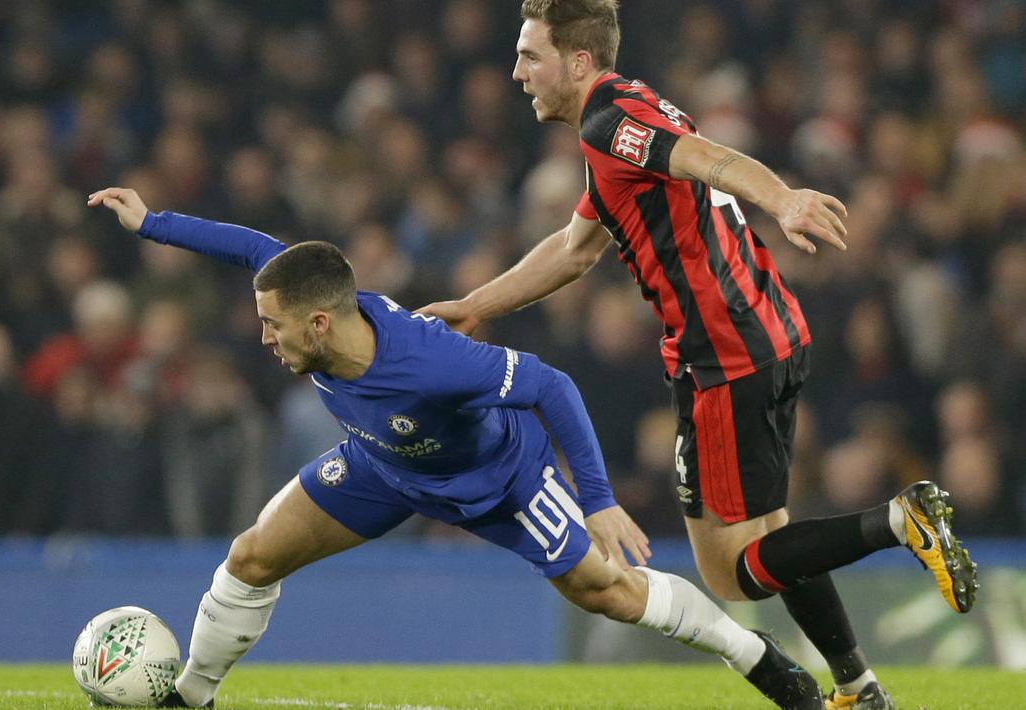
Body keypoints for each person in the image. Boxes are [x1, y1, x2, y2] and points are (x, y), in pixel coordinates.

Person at [417, 3, 978, 709]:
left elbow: (707, 158)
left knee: (733, 571)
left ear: (579, 62)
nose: (517, 72)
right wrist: (473, 307)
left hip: (723, 356)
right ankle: (856, 687)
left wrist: (784, 198)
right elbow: (573, 249)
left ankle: (900, 522)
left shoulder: (608, 119)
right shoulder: (622, 121)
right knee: (774, 535)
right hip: (767, 333)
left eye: (531, 56)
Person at [89, 186, 825, 709]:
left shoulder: (428, 362)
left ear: (318, 324)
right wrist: (151, 222)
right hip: (384, 468)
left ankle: (758, 659)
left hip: (499, 482)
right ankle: (192, 698)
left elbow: (550, 386)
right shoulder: (312, 311)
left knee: (609, 592)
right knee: (251, 557)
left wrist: (596, 501)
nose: (263, 337)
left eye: (274, 326)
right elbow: (252, 247)